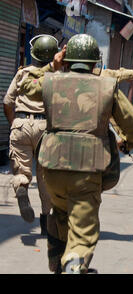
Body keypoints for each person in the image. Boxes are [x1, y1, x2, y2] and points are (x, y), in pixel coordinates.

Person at [18, 34, 133, 274]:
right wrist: (128, 144)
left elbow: (25, 85)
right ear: (95, 62)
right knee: (83, 232)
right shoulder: (107, 86)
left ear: (66, 59)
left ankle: (57, 264)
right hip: (87, 170)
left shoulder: (51, 81)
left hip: (52, 168)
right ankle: (74, 264)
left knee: (61, 213)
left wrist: (51, 66)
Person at [3, 35, 58, 234]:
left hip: (21, 123)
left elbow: (7, 102)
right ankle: (45, 223)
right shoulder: (55, 76)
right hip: (45, 126)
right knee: (45, 177)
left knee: (22, 170)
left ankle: (21, 186)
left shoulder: (23, 74)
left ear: (33, 54)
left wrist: (15, 124)